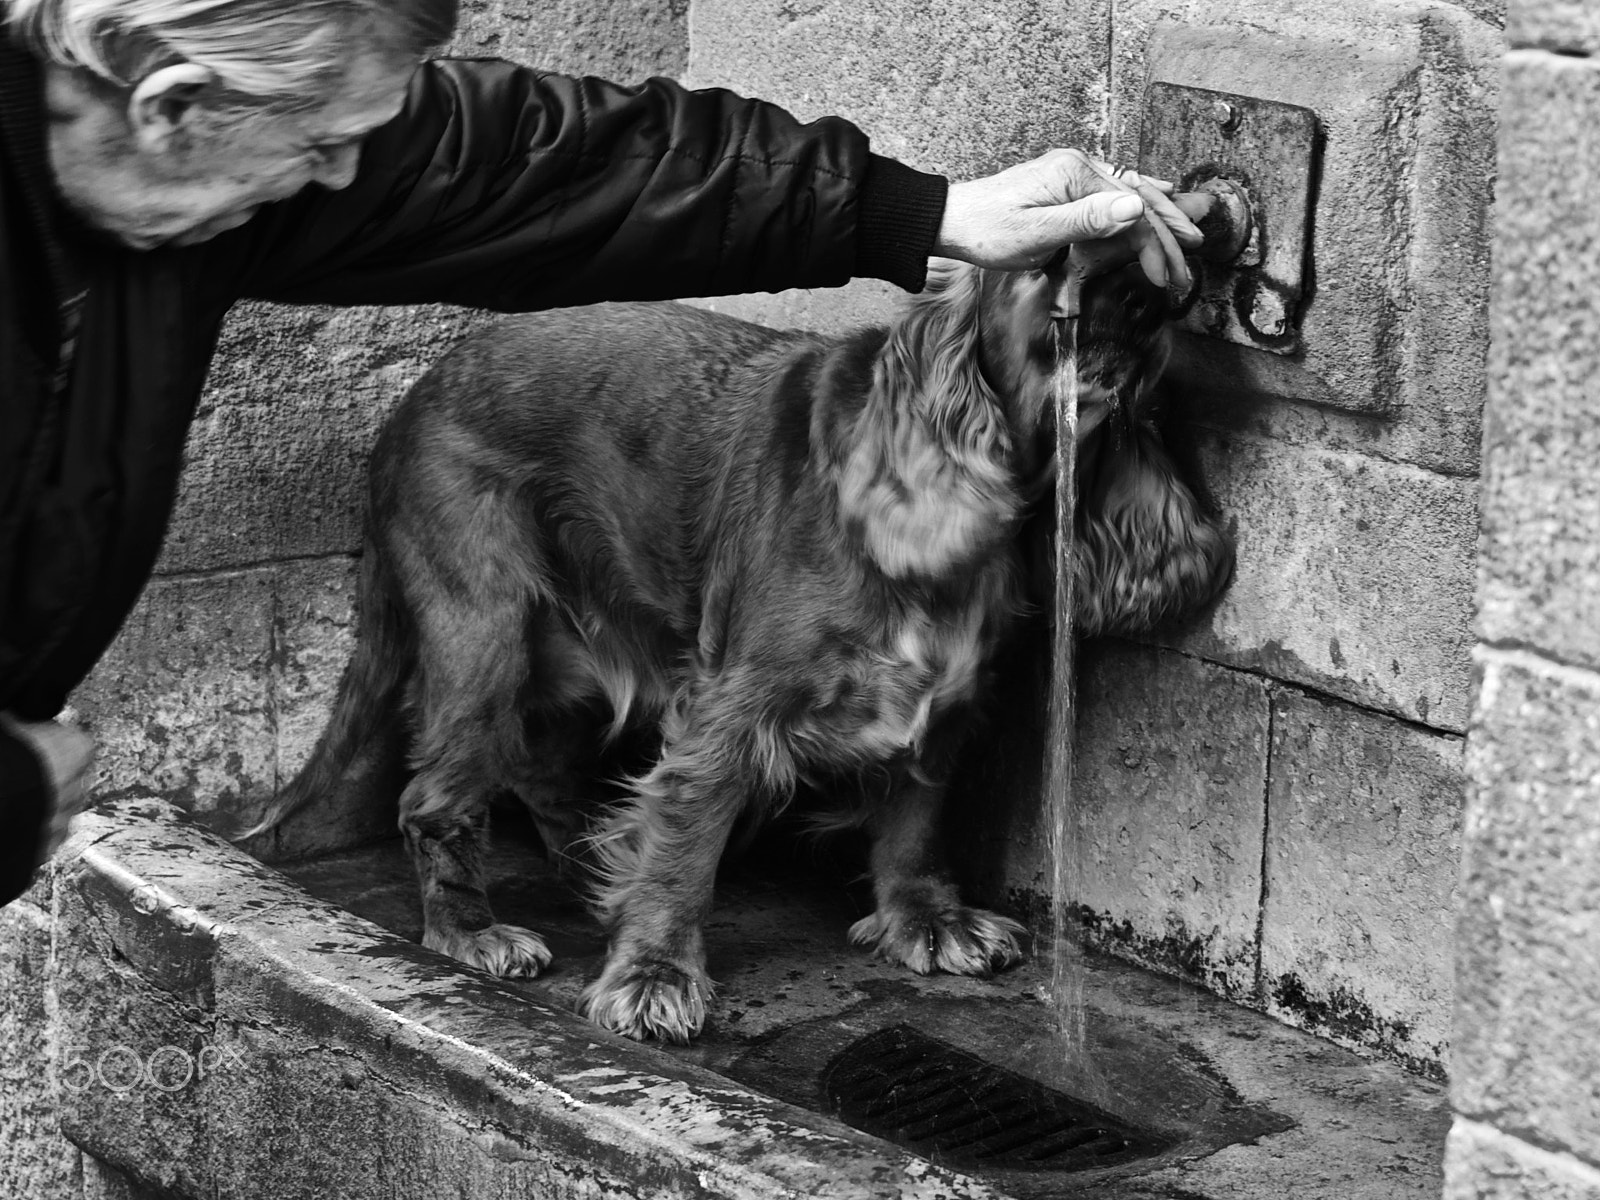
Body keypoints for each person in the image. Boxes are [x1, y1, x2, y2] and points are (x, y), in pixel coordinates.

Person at [0, 0, 1201, 908]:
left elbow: (549, 166)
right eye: (320, 143)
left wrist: (925, 212)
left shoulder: (162, 179)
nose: (341, 178)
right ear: (172, 107)